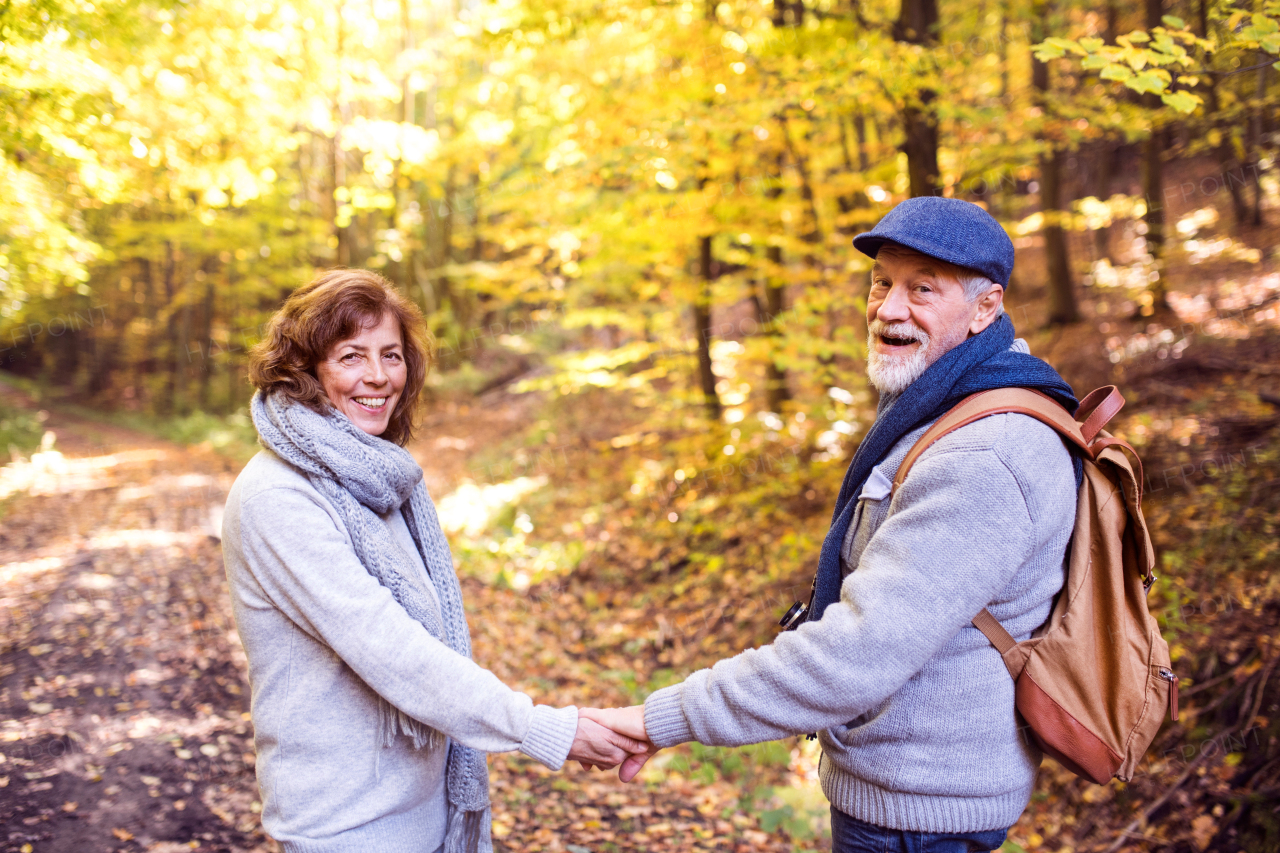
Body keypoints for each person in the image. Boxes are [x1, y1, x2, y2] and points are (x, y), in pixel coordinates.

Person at [587, 197, 1082, 852]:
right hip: (904, 797)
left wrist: (663, 717)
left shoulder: (985, 454)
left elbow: (857, 652)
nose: (889, 308)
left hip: (920, 816)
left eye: (921, 289)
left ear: (985, 308)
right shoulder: (938, 410)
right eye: (881, 283)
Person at [221, 269, 646, 853]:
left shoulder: (379, 480)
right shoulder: (279, 497)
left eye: (391, 355)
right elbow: (392, 650)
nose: (378, 376)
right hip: (345, 826)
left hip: (426, 811)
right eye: (351, 356)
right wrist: (545, 728)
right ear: (305, 372)